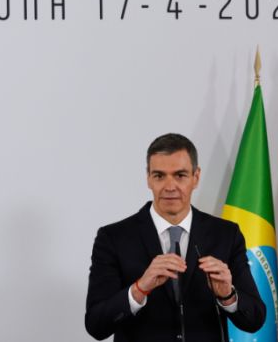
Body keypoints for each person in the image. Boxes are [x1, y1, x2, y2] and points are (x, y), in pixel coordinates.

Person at [84, 133, 265, 341]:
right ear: (148, 178)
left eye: (180, 175)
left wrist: (227, 295)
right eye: (159, 176)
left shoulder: (226, 234)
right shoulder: (113, 238)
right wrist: (139, 288)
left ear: (196, 177)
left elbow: (255, 319)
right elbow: (96, 325)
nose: (170, 187)